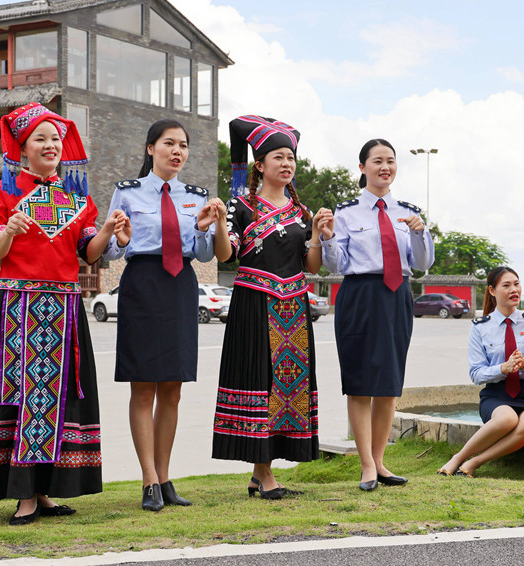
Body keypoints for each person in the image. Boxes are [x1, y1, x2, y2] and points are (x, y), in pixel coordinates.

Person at [0, 102, 127, 525]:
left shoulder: (76, 197)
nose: (51, 145)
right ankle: (24, 496)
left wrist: (107, 231)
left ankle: (46, 491)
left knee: (60, 400)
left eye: (56, 138)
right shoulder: (5, 193)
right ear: (23, 147)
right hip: (20, 308)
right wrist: (10, 232)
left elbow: (87, 254)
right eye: (41, 138)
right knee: (20, 399)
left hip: (65, 308)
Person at [104, 119, 220, 511]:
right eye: (169, 143)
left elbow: (204, 255)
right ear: (150, 148)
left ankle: (166, 478)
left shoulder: (195, 196)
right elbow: (112, 251)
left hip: (180, 288)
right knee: (143, 387)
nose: (177, 151)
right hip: (142, 286)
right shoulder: (127, 192)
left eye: (183, 145)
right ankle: (148, 481)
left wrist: (205, 228)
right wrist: (118, 240)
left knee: (173, 388)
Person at [211, 115, 327, 500]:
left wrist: (316, 236)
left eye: (290, 157)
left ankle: (264, 474)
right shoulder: (242, 206)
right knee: (260, 383)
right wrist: (218, 226)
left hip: (293, 307)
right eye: (278, 157)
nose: (287, 164)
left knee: (286, 389)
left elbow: (311, 268)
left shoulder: (300, 210)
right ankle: (263, 474)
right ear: (259, 165)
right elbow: (228, 256)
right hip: (254, 306)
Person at [320, 139, 435, 491]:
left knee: (388, 386)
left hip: (397, 295)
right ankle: (366, 465)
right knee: (360, 384)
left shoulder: (409, 212)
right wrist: (326, 238)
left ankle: (381, 462)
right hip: (359, 295)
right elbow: (334, 264)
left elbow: (423, 264)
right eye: (377, 161)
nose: (385, 167)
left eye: (391, 161)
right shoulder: (346, 212)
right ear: (363, 168)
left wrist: (420, 233)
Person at [437, 266, 524, 477]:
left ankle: (474, 463)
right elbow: (476, 374)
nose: (514, 289)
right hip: (496, 394)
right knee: (507, 419)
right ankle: (458, 458)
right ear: (492, 291)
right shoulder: (480, 327)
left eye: (517, 283)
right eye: (506, 285)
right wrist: (502, 368)